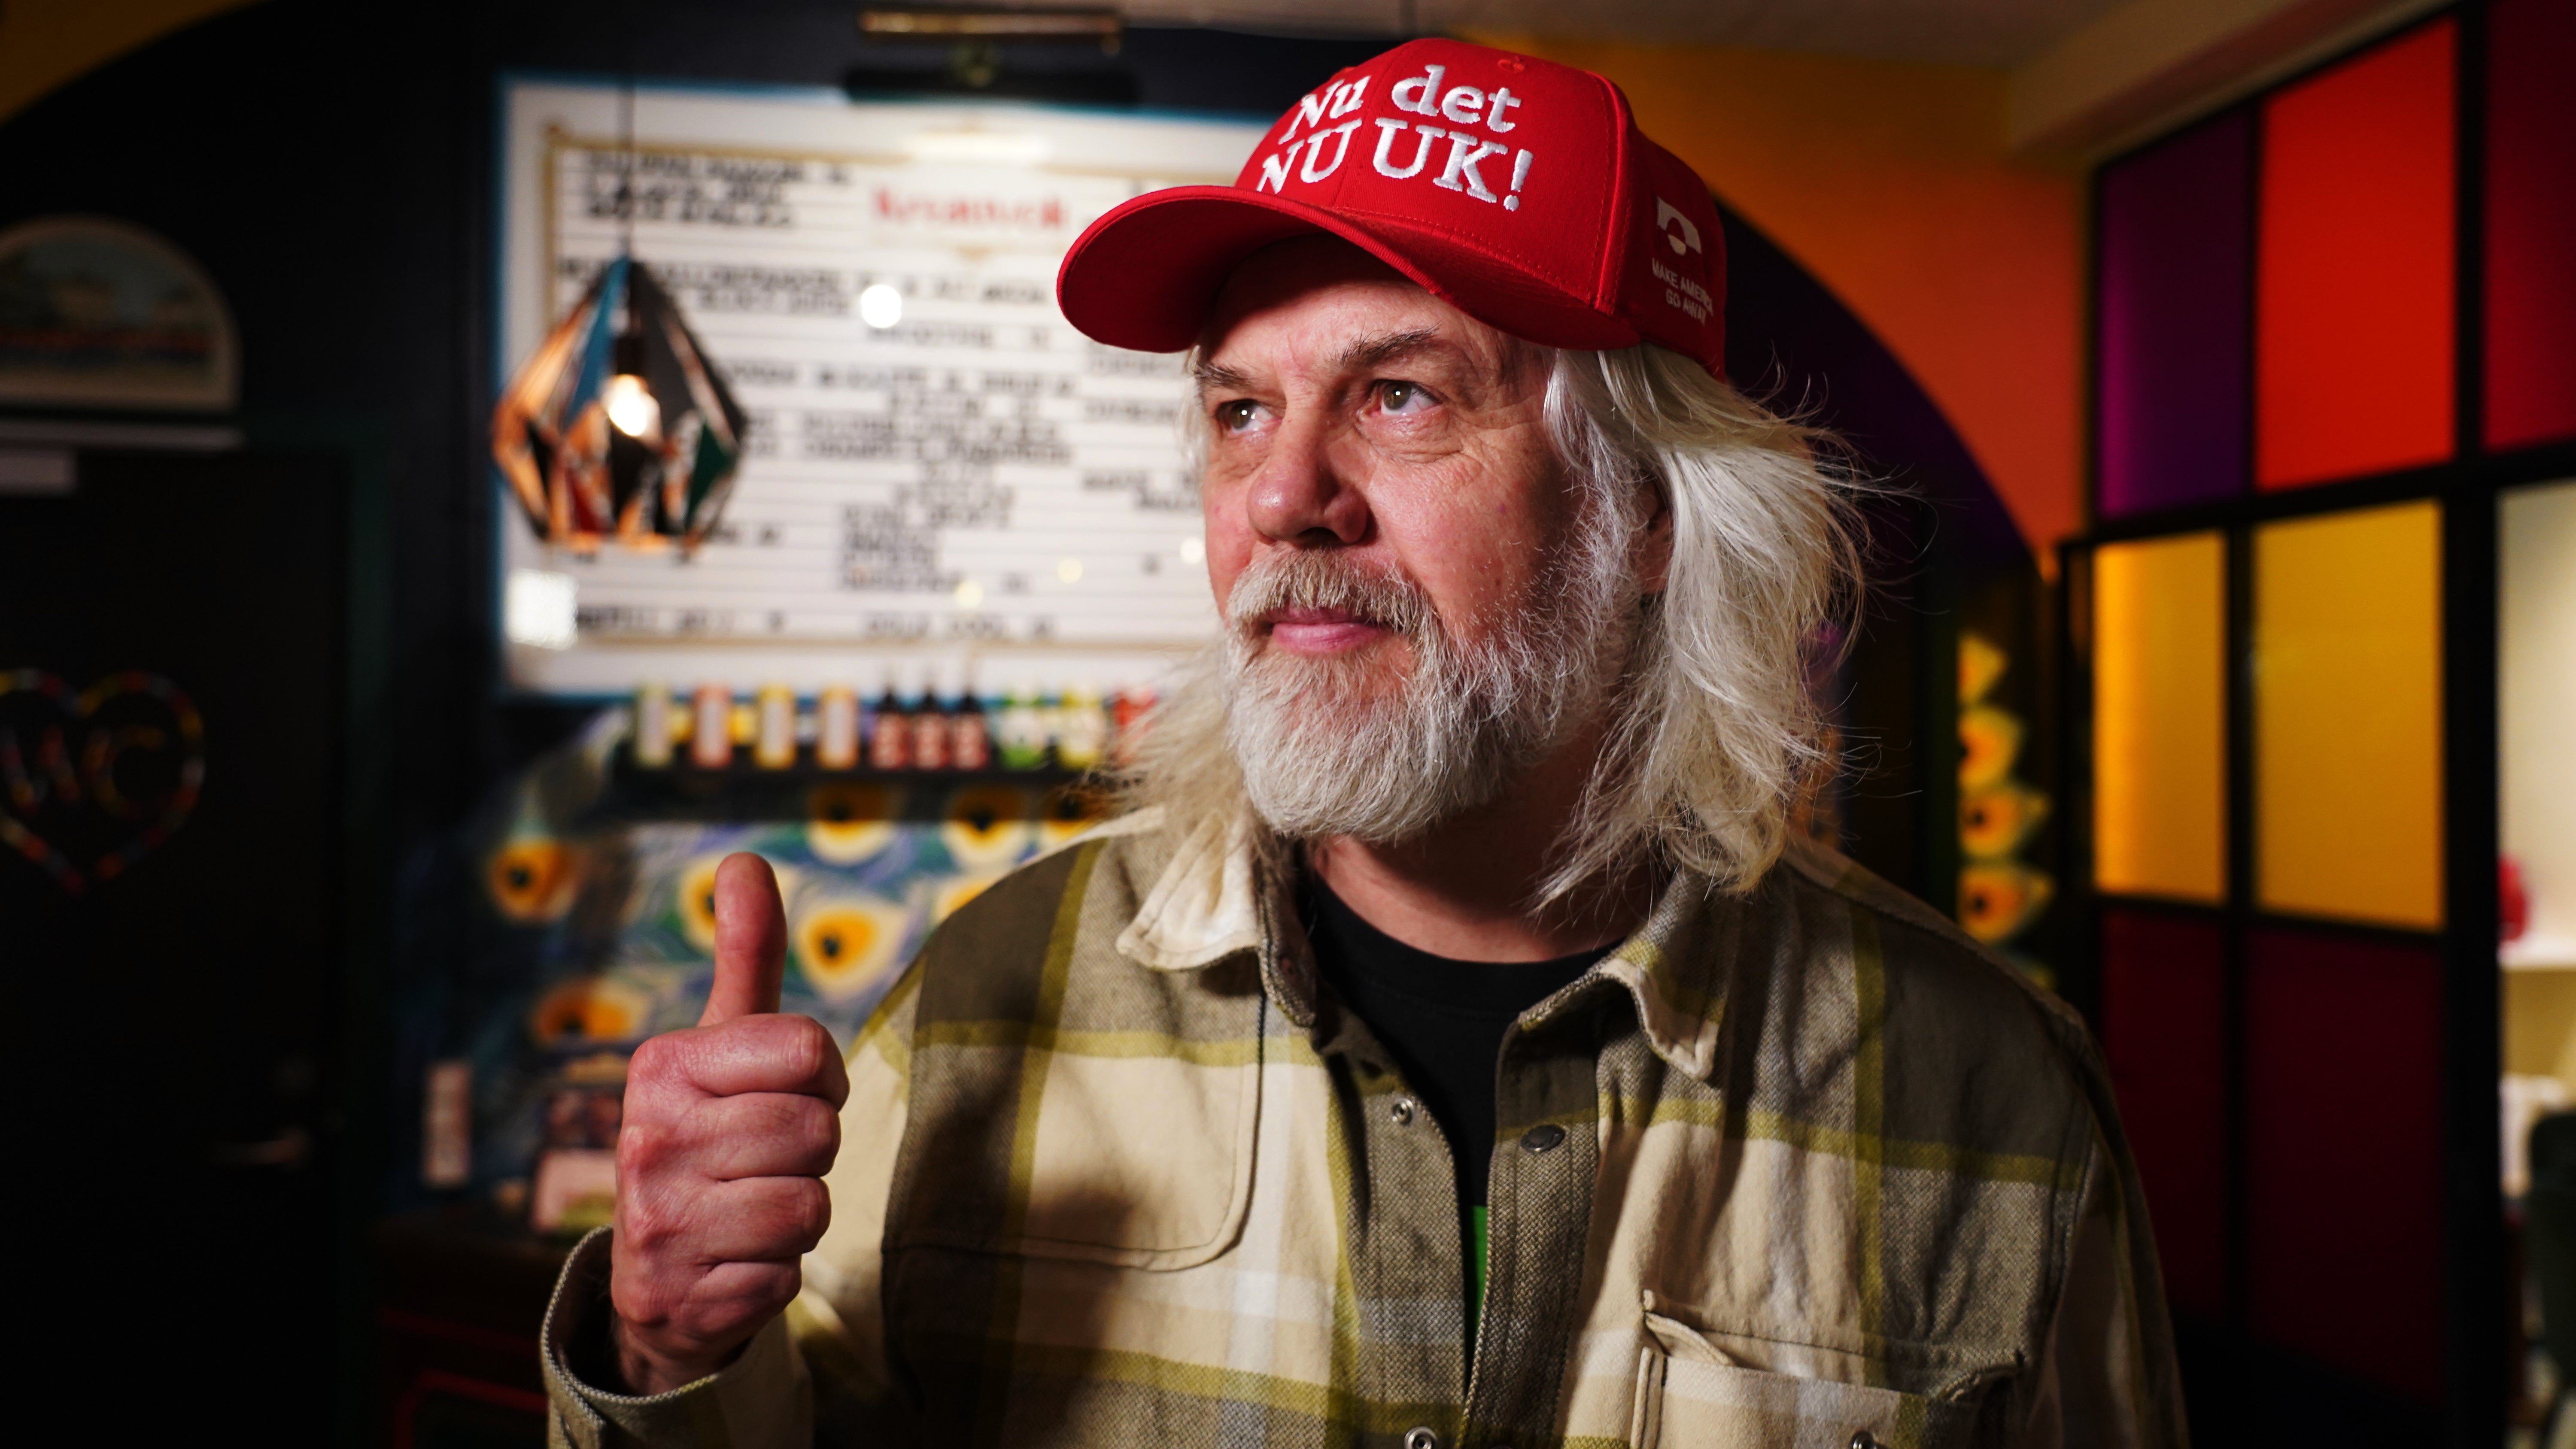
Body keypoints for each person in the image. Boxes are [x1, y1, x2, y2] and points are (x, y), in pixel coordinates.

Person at [542, 38, 2186, 1449]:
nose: (1279, 497)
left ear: (1651, 515)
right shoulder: (987, 1007)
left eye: (1399, 394)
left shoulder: (1984, 1095)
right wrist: (674, 1360)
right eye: (1241, 409)